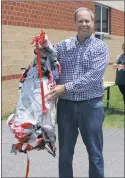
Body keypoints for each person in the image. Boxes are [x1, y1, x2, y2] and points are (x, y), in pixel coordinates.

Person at [46, 7, 109, 178]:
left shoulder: (100, 47)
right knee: (65, 155)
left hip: (91, 106)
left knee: (95, 155)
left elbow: (93, 77)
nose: (84, 24)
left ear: (93, 23)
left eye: (87, 21)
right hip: (66, 107)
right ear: (75, 23)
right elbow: (48, 58)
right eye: (80, 21)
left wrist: (65, 88)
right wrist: (42, 47)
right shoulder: (63, 46)